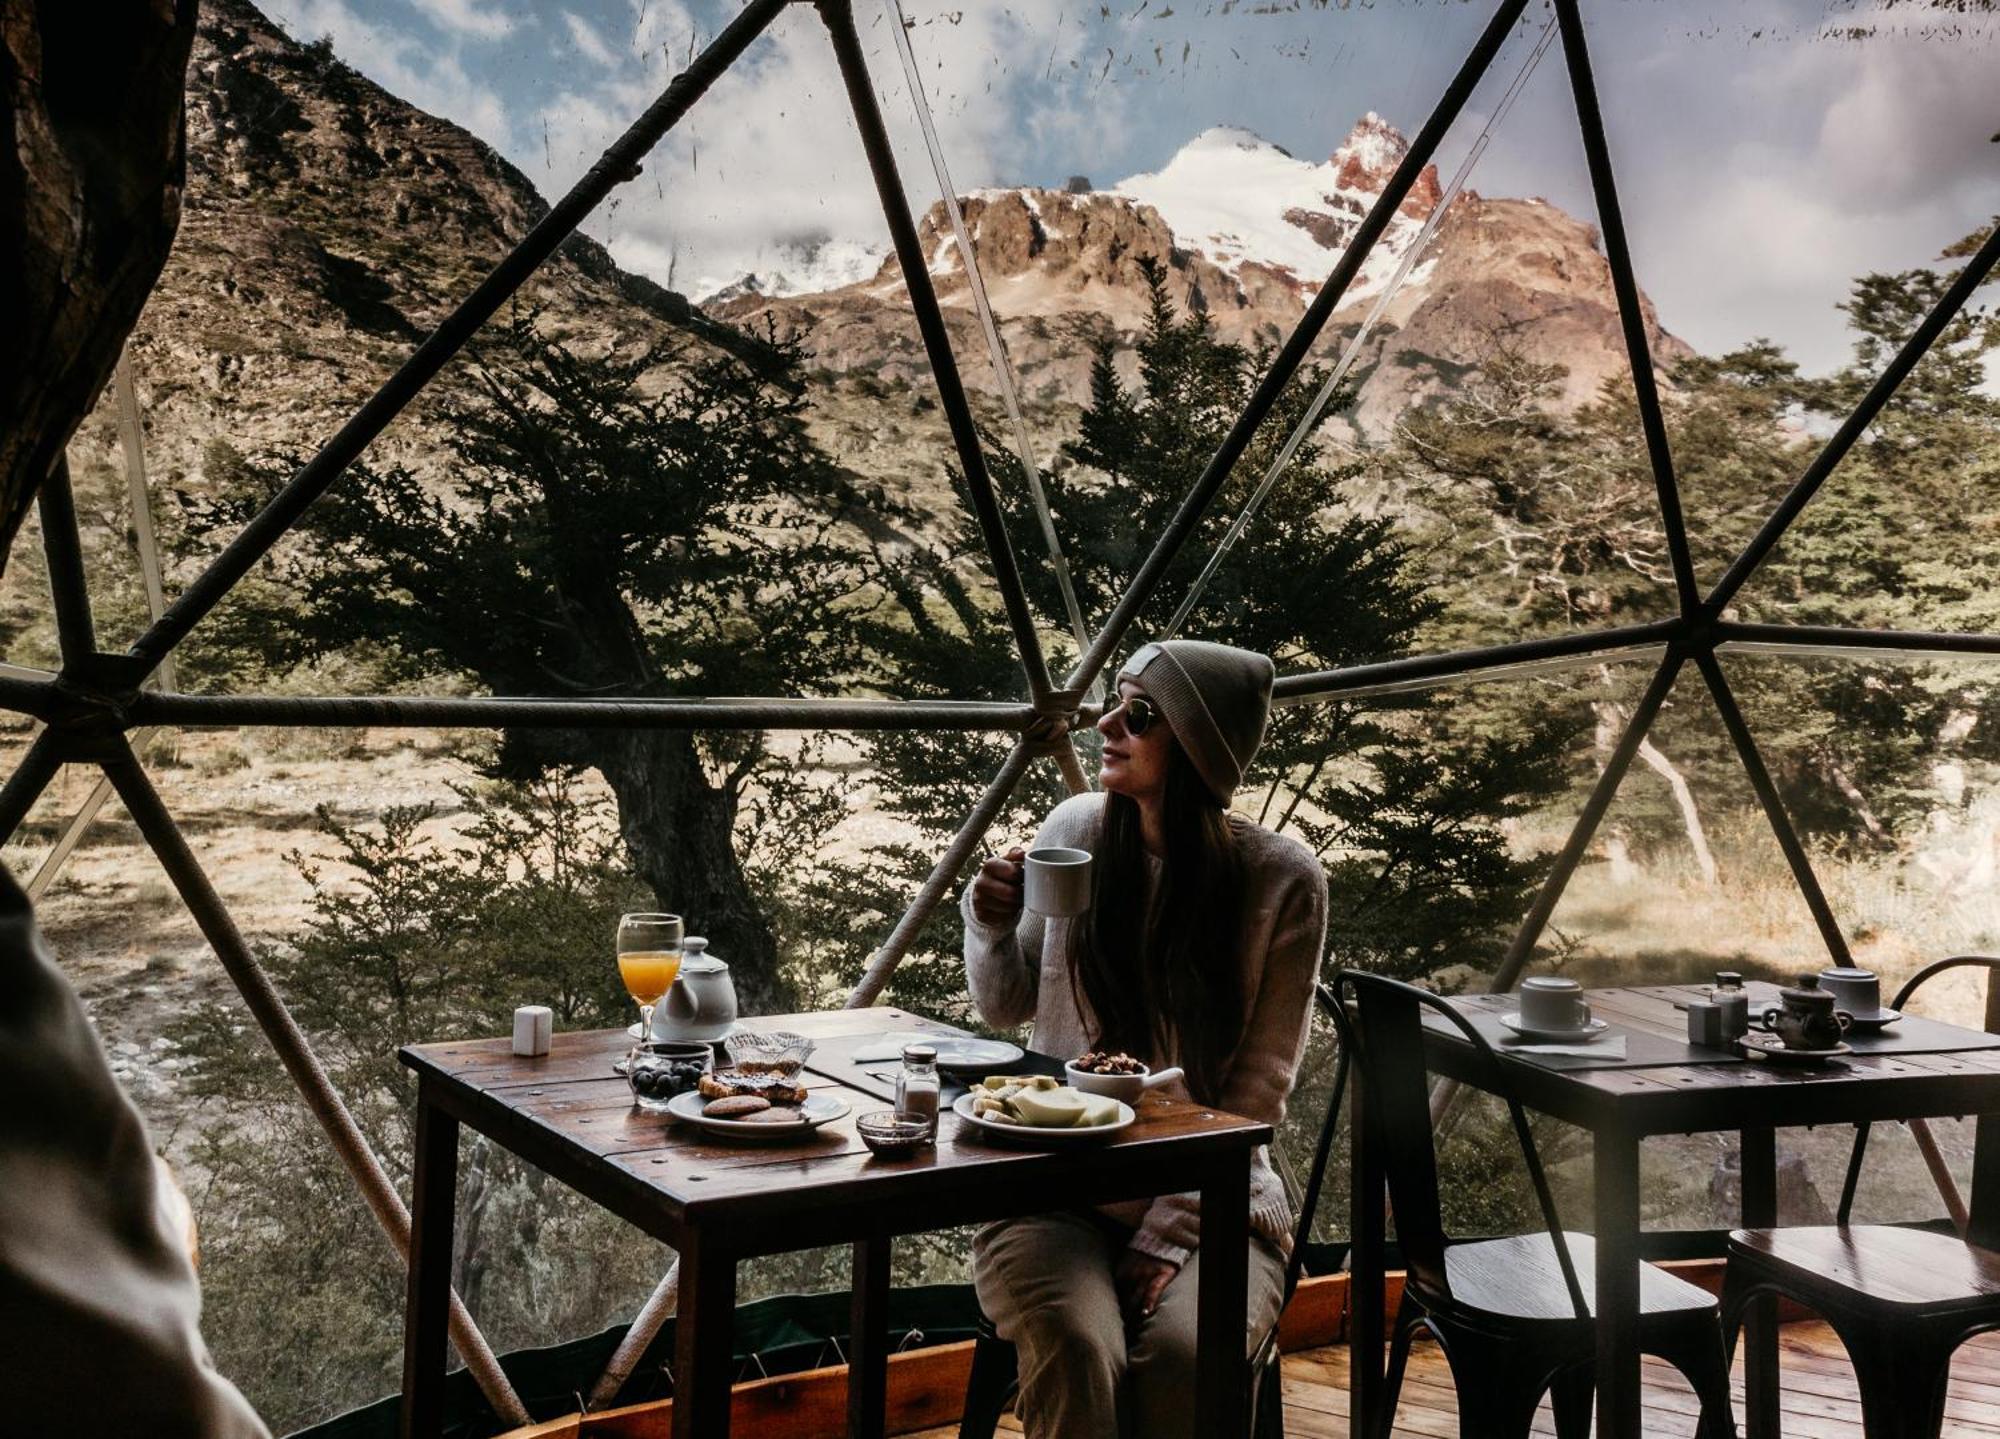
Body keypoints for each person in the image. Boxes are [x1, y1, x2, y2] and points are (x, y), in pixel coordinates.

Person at [961, 639, 1329, 1439]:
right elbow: (1007, 1005)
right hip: (1053, 1190)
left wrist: (1168, 1235)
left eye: (1141, 713)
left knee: (1187, 1356)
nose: (1106, 721)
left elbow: (1254, 1098)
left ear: (1199, 746)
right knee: (1079, 1341)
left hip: (1220, 1198)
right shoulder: (1077, 829)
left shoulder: (1279, 880)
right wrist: (988, 923)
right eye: (1115, 700)